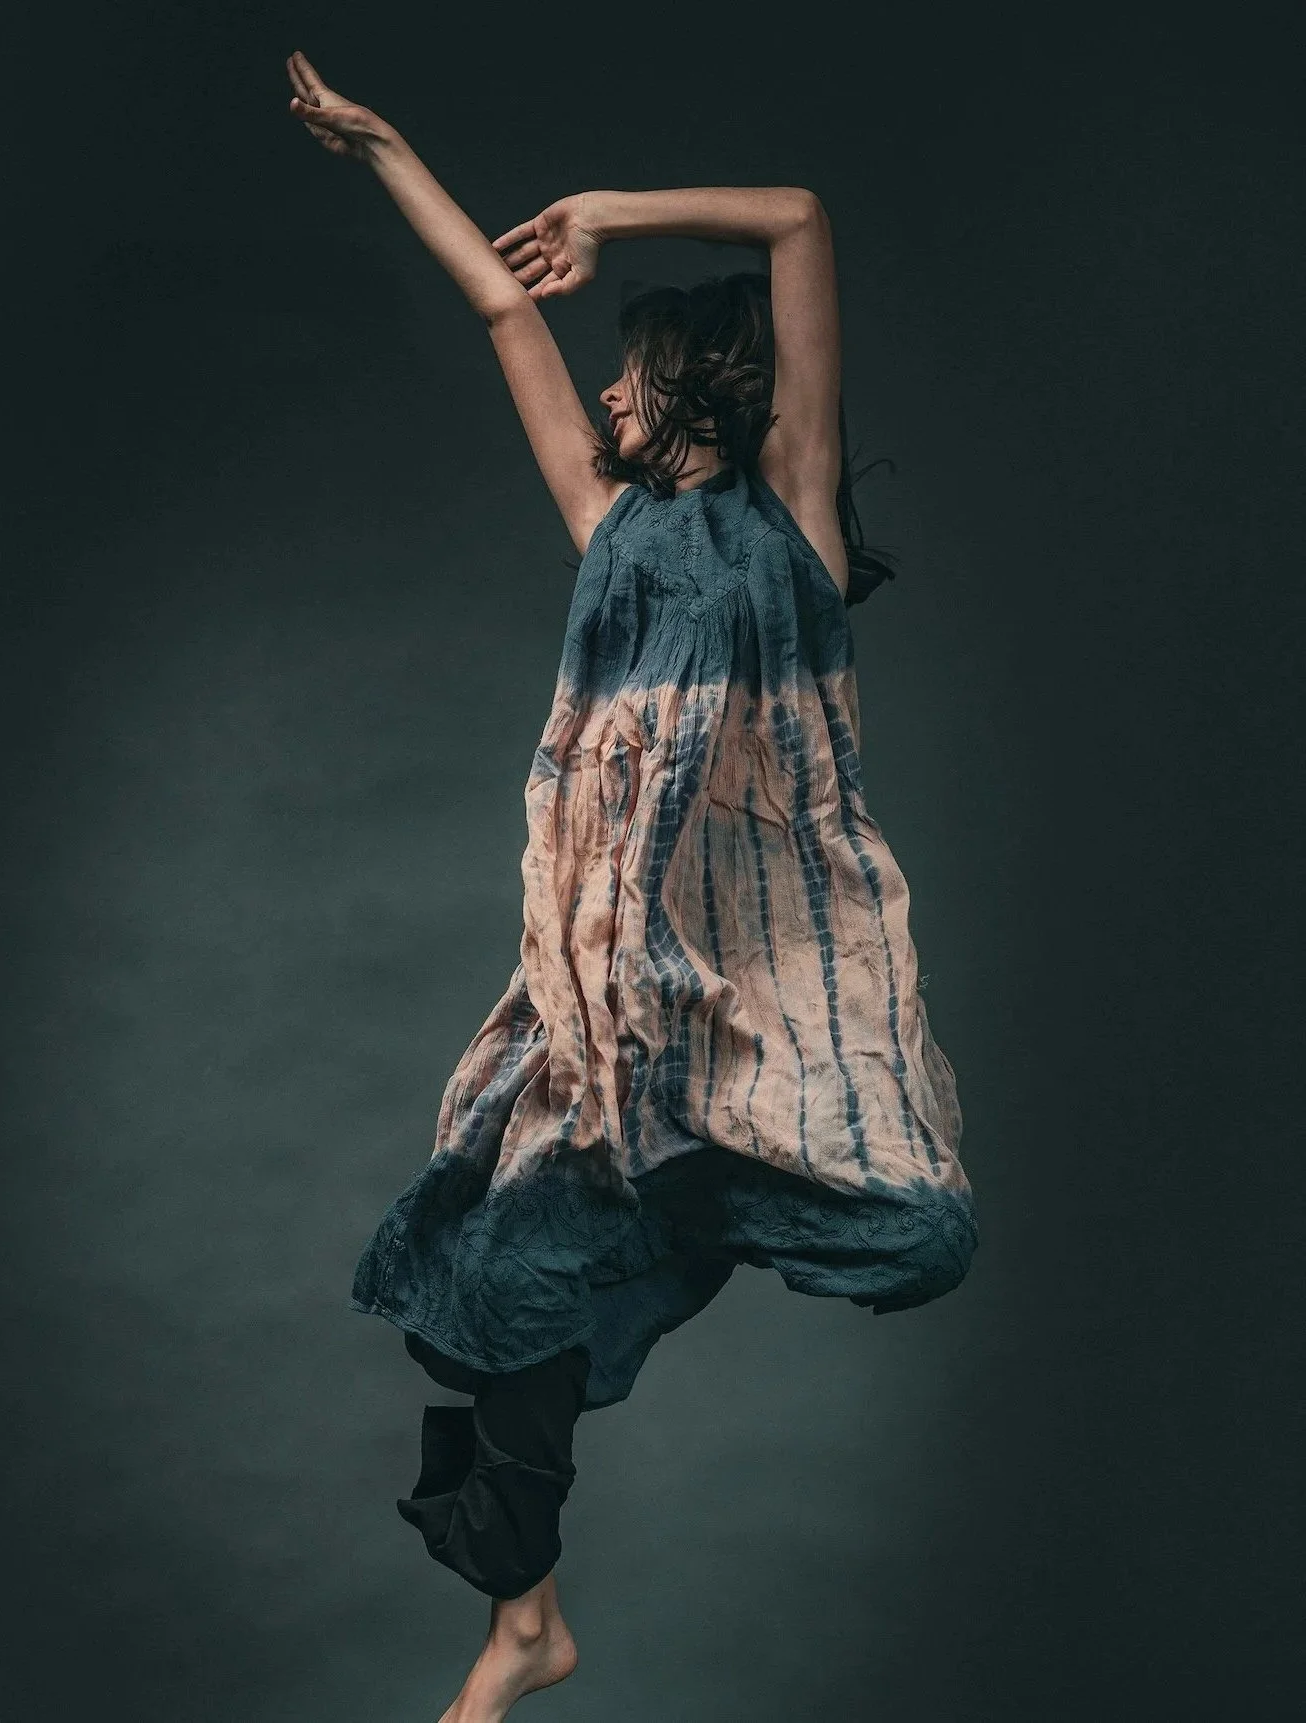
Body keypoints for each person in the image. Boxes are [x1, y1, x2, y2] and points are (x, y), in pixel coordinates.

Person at [286, 49, 979, 1723]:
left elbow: (801, 222)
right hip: (608, 1021)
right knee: (484, 1295)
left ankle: (525, 1628)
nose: (602, 400)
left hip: (758, 1017)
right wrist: (388, 148)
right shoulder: (608, 530)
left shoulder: (795, 528)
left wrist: (613, 209)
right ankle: (528, 1625)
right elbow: (501, 317)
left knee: (916, 1223)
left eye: (628, 380)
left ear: (697, 396)